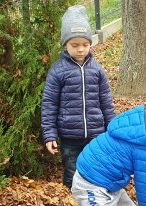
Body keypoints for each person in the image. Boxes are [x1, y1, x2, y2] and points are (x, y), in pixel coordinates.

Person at [42, 5, 116, 188]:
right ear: (65, 45)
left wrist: (112, 129)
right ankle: (72, 202)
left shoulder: (97, 70)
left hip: (96, 133)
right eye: (74, 45)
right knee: (71, 171)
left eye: (85, 44)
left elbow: (106, 102)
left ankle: (94, 196)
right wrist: (50, 134)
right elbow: (49, 104)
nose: (81, 49)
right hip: (69, 136)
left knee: (96, 168)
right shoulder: (58, 71)